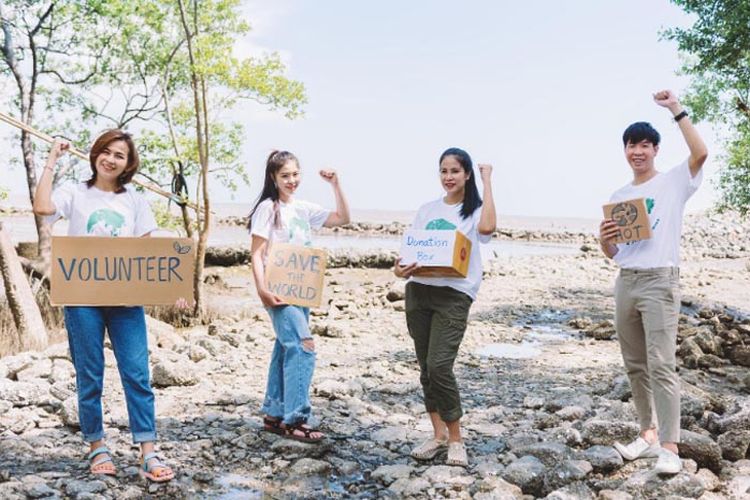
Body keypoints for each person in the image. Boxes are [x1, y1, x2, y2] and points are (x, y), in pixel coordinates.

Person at [32, 131, 175, 481]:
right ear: (96, 154)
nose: (111, 159)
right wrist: (52, 158)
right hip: (82, 298)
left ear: (129, 163)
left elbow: (147, 251)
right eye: (106, 152)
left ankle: (148, 451)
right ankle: (97, 445)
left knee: (137, 373)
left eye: (120, 155)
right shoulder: (75, 192)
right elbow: (41, 207)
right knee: (90, 374)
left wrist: (175, 284)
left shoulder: (136, 201)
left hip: (126, 301)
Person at [600, 90, 708, 474]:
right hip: (626, 281)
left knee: (662, 363)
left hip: (661, 281)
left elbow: (700, 153)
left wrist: (676, 109)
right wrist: (605, 237)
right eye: (632, 145)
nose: (638, 152)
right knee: (634, 364)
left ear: (656, 149)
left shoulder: (674, 182)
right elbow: (615, 253)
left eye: (645, 145)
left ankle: (670, 447)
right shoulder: (621, 195)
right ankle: (646, 435)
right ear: (625, 151)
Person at [394, 147, 496, 467]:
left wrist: (487, 180)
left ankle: (456, 439)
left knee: (440, 365)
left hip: (454, 294)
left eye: (454, 171)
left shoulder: (475, 210)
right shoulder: (427, 209)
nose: (448, 177)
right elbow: (407, 255)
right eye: (443, 171)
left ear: (466, 174)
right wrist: (400, 271)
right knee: (426, 368)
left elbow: (488, 230)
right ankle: (437, 435)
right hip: (419, 292)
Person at [248, 150, 350, 442]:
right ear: (273, 178)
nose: (291, 180)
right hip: (278, 291)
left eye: (295, 174)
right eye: (285, 176)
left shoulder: (303, 208)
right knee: (303, 345)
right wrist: (262, 290)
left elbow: (342, 218)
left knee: (285, 347)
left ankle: (274, 413)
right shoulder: (268, 208)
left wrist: (336, 184)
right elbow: (256, 254)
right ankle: (296, 419)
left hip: (303, 291)